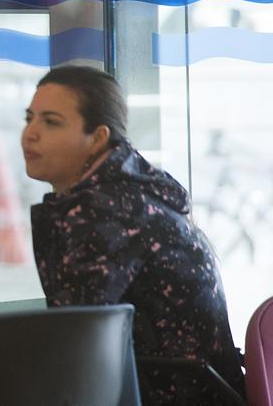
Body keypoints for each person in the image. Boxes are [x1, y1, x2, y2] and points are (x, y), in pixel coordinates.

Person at [23, 65, 244, 404]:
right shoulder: (136, 190)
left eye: (51, 122)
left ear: (97, 137)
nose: (30, 134)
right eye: (30, 118)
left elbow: (73, 342)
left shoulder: (106, 210)